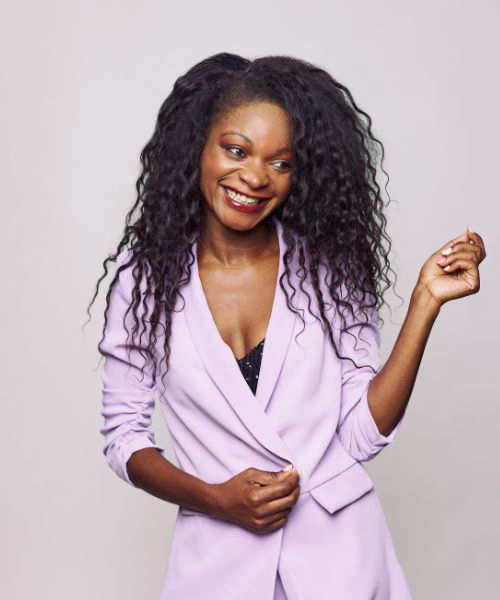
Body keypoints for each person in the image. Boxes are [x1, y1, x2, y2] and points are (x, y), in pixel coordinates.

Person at [88, 53, 486, 599]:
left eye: (281, 162)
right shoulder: (144, 280)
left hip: (341, 560)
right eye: (236, 150)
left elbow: (361, 434)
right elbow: (125, 437)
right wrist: (216, 498)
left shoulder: (327, 268)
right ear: (197, 146)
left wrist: (425, 303)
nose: (255, 177)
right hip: (218, 564)